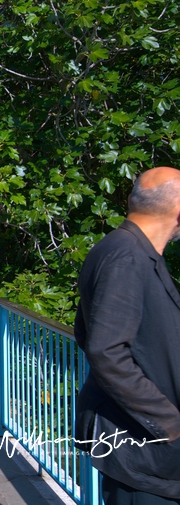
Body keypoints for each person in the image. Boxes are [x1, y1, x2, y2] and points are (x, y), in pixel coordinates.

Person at [74, 167, 180, 503]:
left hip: (144, 449)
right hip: (143, 452)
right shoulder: (127, 256)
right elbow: (105, 350)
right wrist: (167, 421)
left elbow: (85, 329)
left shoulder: (119, 247)